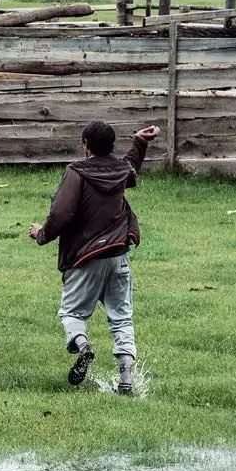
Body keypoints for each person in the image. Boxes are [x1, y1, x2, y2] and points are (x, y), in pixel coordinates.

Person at [28, 121, 159, 394]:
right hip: (118, 256)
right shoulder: (120, 169)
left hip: (85, 258)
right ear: (111, 145)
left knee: (72, 312)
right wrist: (140, 142)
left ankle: (84, 346)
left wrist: (42, 235)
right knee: (122, 319)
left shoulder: (77, 173)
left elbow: (61, 214)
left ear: (85, 144)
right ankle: (126, 380)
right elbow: (130, 166)